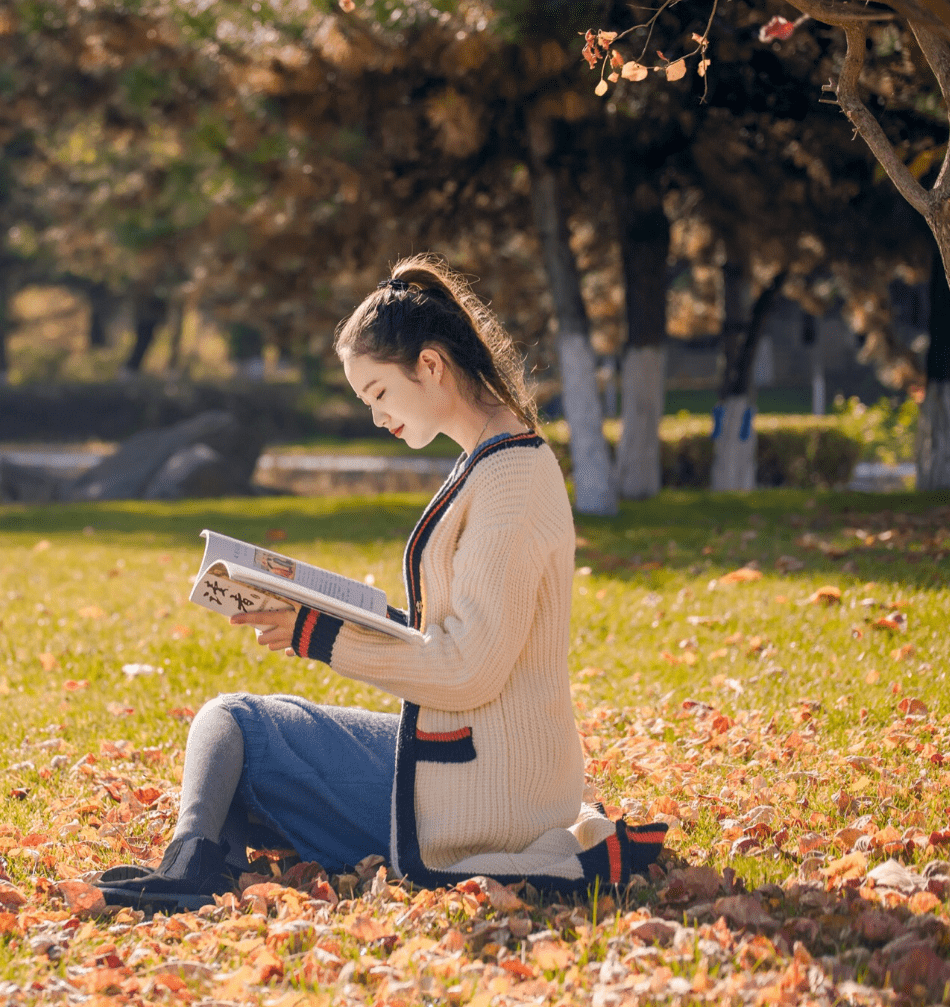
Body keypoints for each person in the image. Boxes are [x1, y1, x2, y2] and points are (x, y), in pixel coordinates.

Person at [97, 254, 665, 910]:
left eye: (379, 394)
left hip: (485, 790)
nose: (376, 416)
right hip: (485, 762)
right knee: (242, 747)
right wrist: (357, 613)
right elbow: (467, 637)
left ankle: (194, 869)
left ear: (429, 365)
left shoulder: (509, 481)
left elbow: (468, 669)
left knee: (231, 723)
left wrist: (319, 632)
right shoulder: (495, 461)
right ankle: (206, 865)